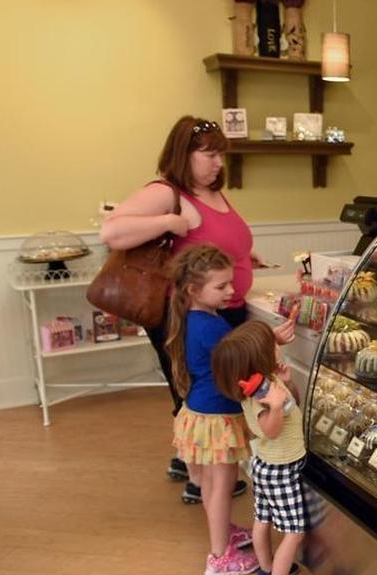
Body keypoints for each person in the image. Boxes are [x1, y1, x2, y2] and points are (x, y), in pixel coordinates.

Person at [100, 115, 286, 503]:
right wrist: (171, 221)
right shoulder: (168, 192)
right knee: (202, 394)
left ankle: (191, 463)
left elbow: (213, 239)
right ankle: (202, 481)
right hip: (190, 314)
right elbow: (112, 232)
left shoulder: (210, 192)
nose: (218, 163)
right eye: (209, 154)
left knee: (207, 393)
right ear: (184, 154)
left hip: (224, 307)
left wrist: (244, 256)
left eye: (221, 154)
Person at [164, 245, 262, 575]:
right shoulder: (213, 328)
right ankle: (220, 557)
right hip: (218, 416)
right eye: (221, 286)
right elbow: (239, 364)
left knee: (209, 483)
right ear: (193, 290)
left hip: (199, 412)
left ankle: (224, 533)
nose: (231, 291)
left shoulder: (194, 318)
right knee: (223, 485)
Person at [213, 320, 314, 575]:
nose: (277, 346)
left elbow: (290, 405)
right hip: (282, 470)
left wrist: (287, 383)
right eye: (272, 346)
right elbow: (270, 430)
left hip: (265, 466)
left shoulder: (264, 382)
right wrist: (273, 405)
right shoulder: (261, 397)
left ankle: (267, 570)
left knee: (262, 519)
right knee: (294, 532)